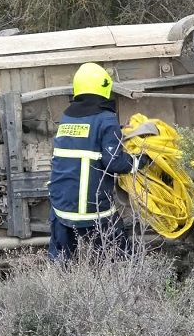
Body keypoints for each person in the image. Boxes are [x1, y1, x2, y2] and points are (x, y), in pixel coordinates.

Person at [48, 62, 148, 261]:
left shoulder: (67, 117)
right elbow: (116, 164)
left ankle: (58, 290)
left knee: (61, 261)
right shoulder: (106, 119)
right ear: (105, 87)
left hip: (60, 206)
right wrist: (142, 160)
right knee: (121, 258)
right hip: (90, 210)